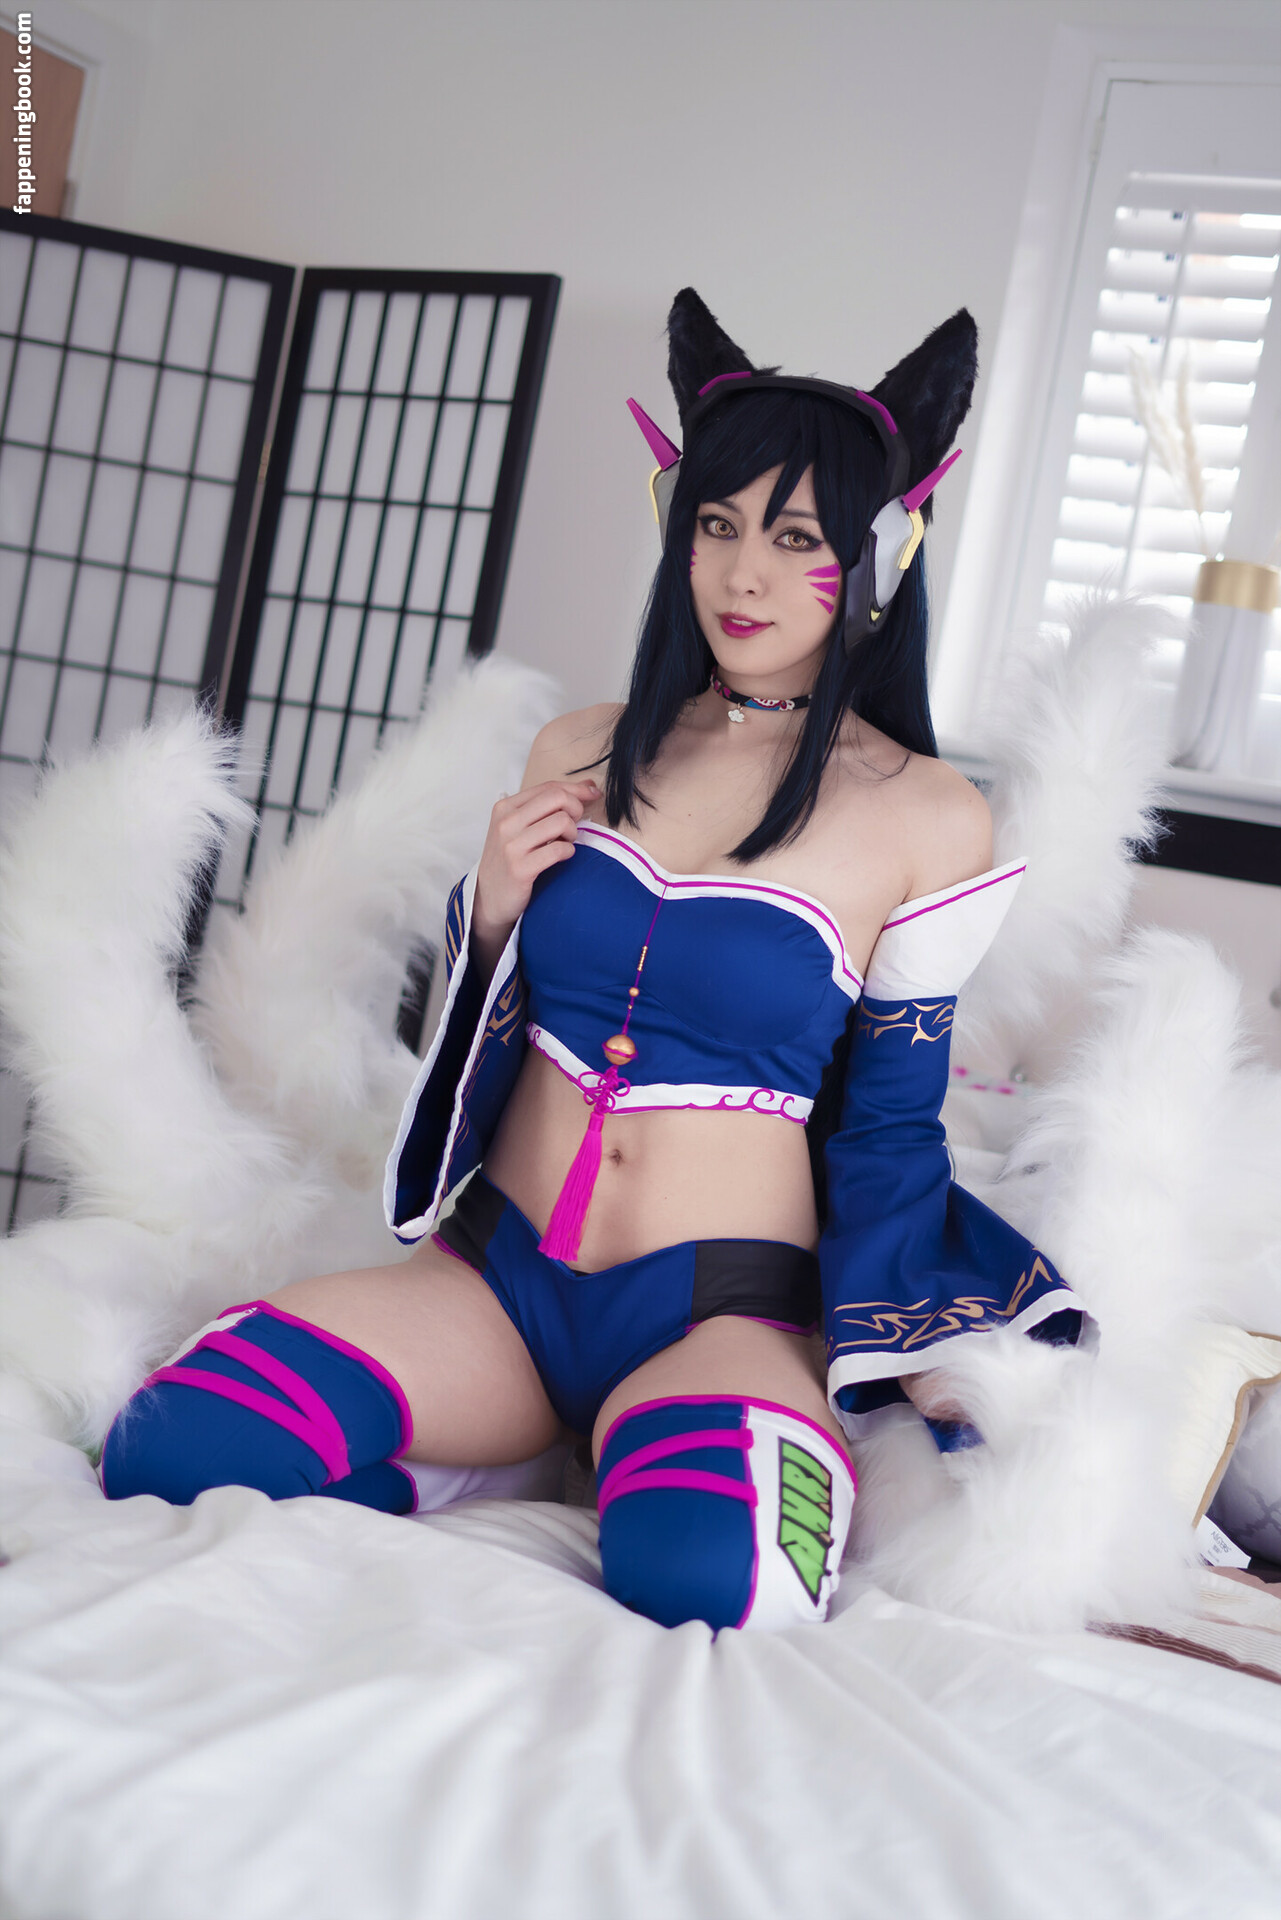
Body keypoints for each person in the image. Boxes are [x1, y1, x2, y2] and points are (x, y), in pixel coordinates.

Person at [102, 291, 1086, 1632]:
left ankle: (610, 1457)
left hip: (717, 1313)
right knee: (169, 1451)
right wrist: (493, 911)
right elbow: (494, 1027)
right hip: (494, 1281)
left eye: (796, 538)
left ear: (878, 554)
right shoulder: (579, 747)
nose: (742, 574)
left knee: (705, 1580)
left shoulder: (925, 814)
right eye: (717, 524)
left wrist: (917, 1340)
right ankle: (482, 1457)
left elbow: (890, 1123)